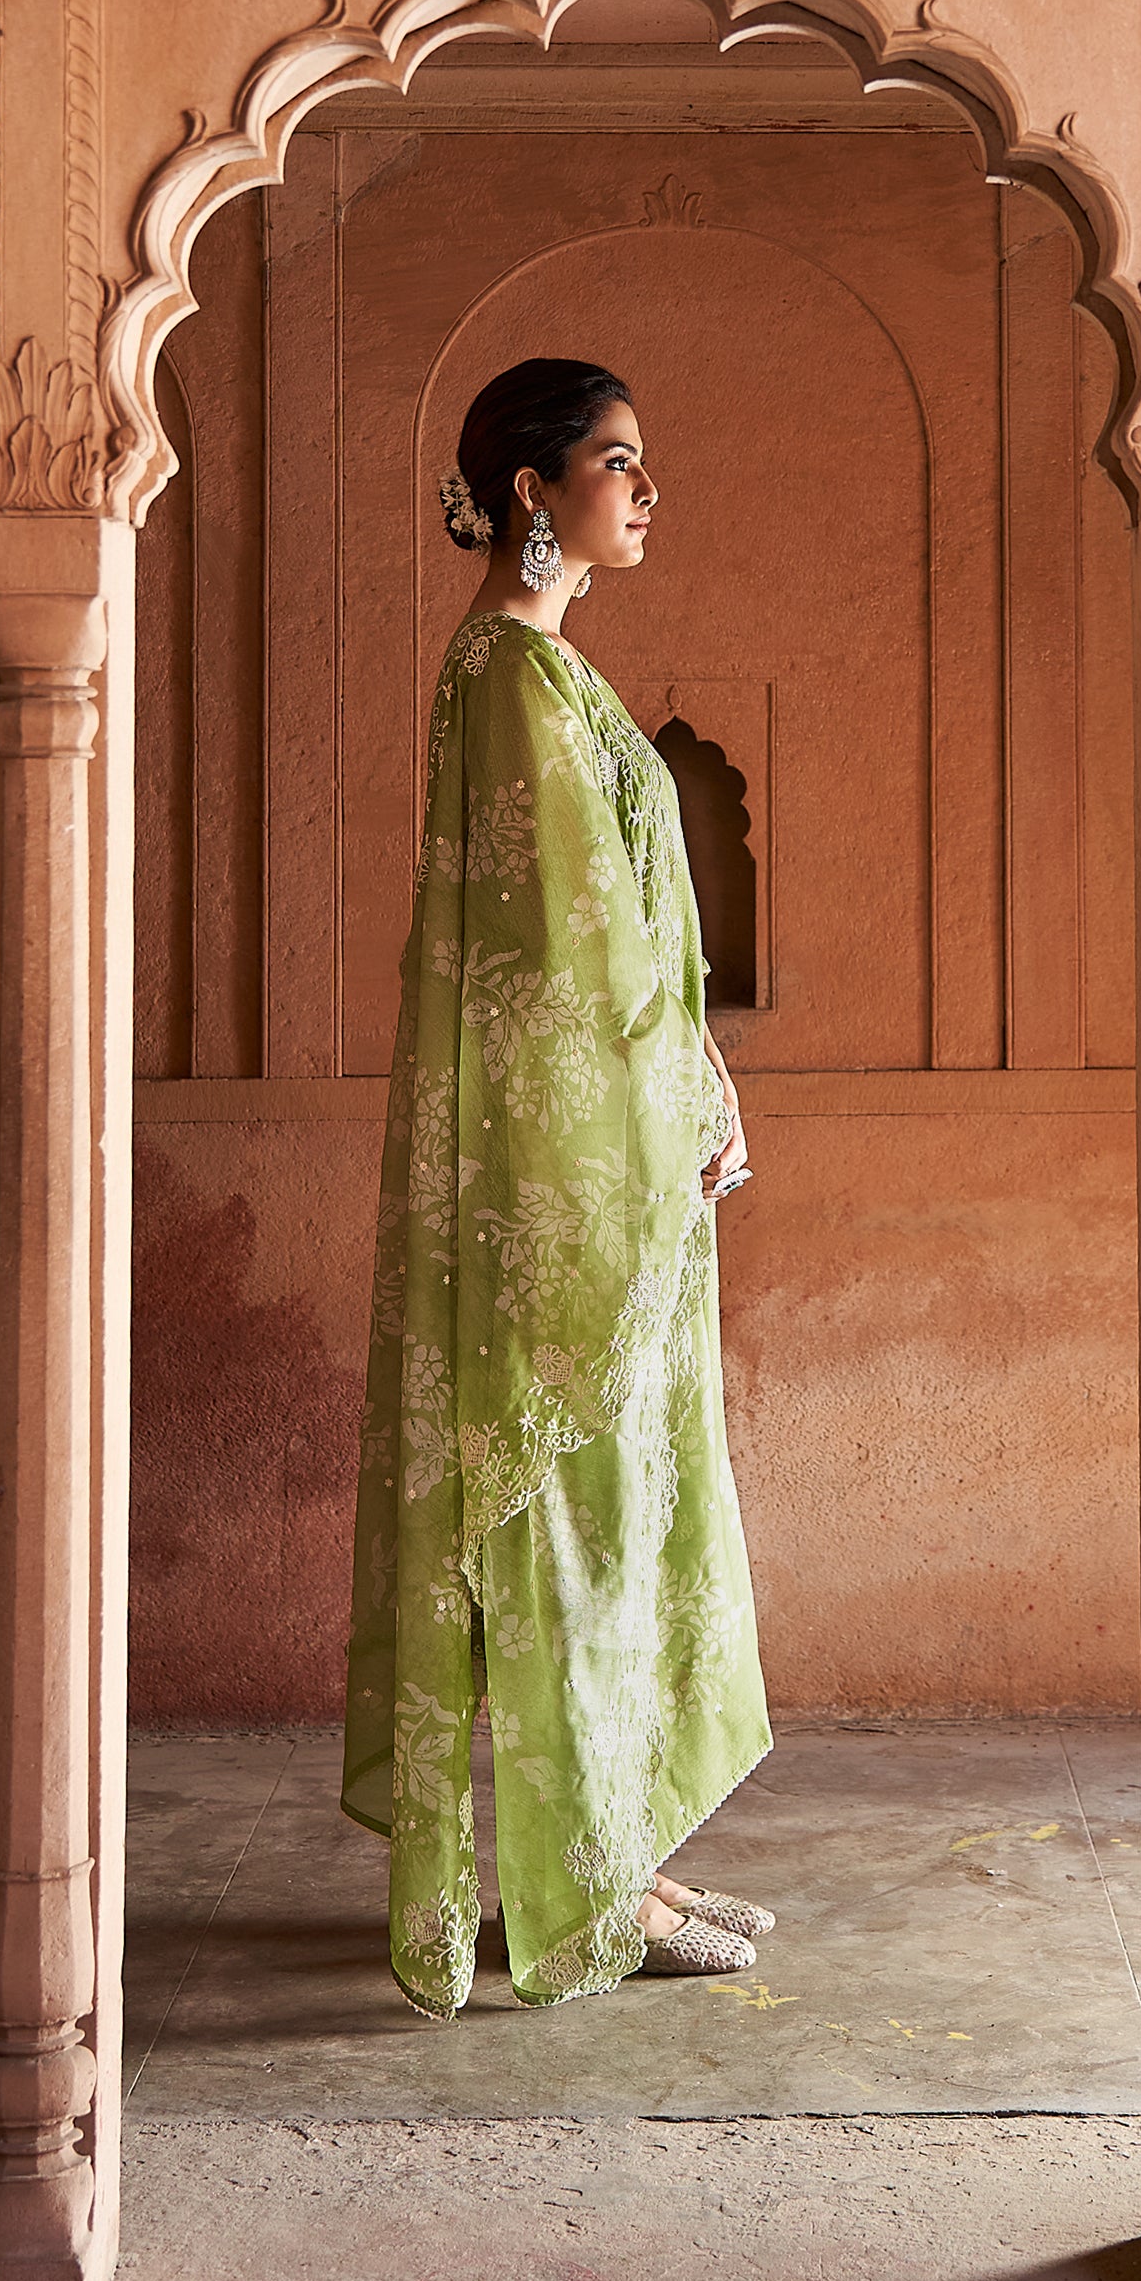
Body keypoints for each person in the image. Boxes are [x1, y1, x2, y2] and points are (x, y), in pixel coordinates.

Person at [342, 356, 774, 2009]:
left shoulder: (540, 670)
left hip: (606, 1152)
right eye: (617, 460)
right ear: (532, 487)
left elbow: (613, 949)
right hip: (567, 1174)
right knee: (571, 1515)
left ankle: (603, 1849)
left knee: (608, 1508)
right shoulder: (515, 679)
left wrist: (697, 1076)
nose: (646, 491)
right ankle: (586, 1883)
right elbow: (570, 958)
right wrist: (689, 1086)